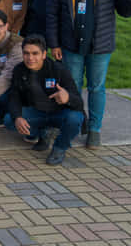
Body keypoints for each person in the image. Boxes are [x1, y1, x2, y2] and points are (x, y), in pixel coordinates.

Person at [46, 0, 131, 149]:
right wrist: (54, 44)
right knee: (73, 87)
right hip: (71, 46)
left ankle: (95, 129)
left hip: (100, 47)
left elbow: (126, 13)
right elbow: (52, 13)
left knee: (97, 88)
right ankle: (78, 122)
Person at [9, 35, 85, 166]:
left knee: (75, 118)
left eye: (35, 53)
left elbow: (79, 103)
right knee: (9, 121)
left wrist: (67, 98)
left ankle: (59, 148)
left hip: (59, 114)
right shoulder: (19, 70)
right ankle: (43, 134)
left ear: (44, 54)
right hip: (37, 112)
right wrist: (17, 117)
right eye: (26, 53)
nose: (30, 58)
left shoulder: (59, 70)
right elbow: (14, 97)